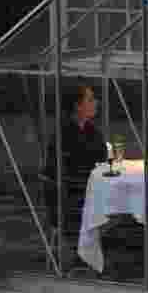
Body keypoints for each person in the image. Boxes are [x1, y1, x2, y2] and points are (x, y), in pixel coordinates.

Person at [43, 84, 107, 262]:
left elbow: (101, 162)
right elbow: (60, 172)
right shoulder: (63, 134)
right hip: (70, 200)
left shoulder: (93, 132)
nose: (96, 102)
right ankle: (92, 259)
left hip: (89, 195)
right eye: (90, 99)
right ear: (78, 106)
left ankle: (99, 259)